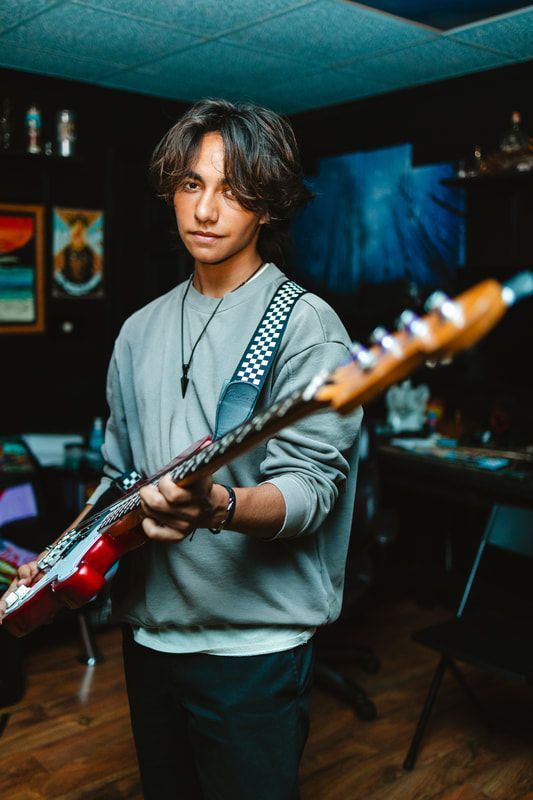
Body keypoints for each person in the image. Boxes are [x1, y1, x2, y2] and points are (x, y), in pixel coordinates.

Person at [1, 99, 362, 800]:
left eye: (233, 190)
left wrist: (217, 504)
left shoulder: (305, 327)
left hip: (251, 650)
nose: (205, 209)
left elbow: (310, 493)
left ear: (269, 206)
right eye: (192, 184)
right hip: (151, 636)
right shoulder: (137, 330)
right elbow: (116, 476)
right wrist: (56, 561)